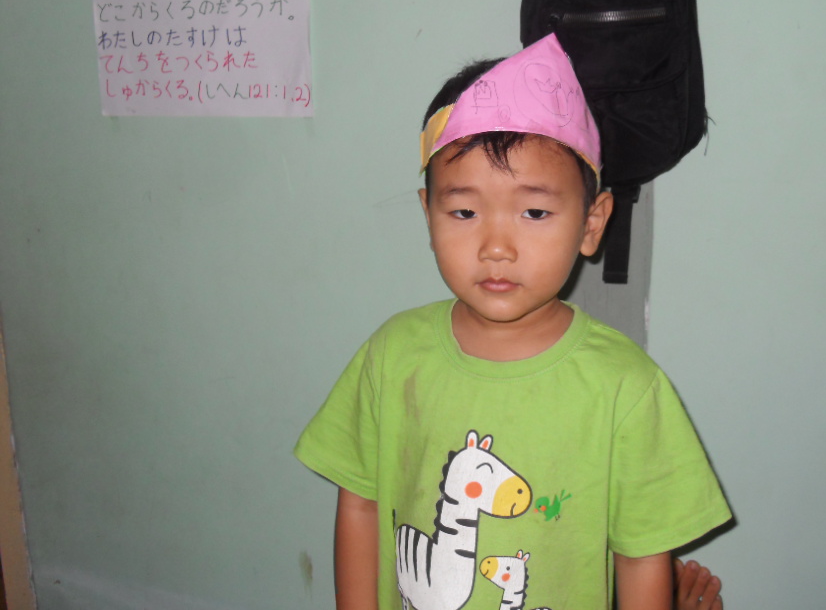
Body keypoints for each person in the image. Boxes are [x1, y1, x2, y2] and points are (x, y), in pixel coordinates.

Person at [295, 33, 731, 610]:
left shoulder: (627, 388)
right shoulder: (390, 355)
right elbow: (360, 502)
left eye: (534, 211)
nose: (496, 246)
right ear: (428, 215)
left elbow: (641, 557)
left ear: (592, 223)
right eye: (464, 211)